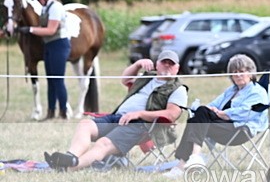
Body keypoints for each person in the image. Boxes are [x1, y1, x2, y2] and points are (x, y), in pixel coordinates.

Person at [44, 50, 187, 171]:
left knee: (103, 144)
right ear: (157, 64)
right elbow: (125, 79)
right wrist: (137, 64)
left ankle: (70, 166)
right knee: (85, 125)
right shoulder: (147, 77)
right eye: (164, 62)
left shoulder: (178, 89)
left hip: (141, 125)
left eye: (171, 63)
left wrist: (139, 114)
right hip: (117, 117)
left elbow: (171, 114)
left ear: (177, 68)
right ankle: (70, 156)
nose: (167, 65)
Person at [163, 54, 270, 179]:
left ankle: (185, 163)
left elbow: (248, 112)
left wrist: (224, 114)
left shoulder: (257, 91)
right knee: (198, 115)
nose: (238, 75)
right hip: (222, 127)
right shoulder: (231, 91)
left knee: (198, 119)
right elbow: (212, 105)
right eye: (234, 72)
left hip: (239, 129)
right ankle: (190, 160)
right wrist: (207, 110)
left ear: (251, 73)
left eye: (242, 71)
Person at [16, 0, 70, 119]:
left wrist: (30, 29)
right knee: (50, 80)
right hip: (49, 45)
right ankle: (51, 112)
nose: (38, 2)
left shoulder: (56, 7)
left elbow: (51, 30)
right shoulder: (46, 7)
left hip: (59, 45)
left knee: (58, 80)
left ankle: (63, 112)